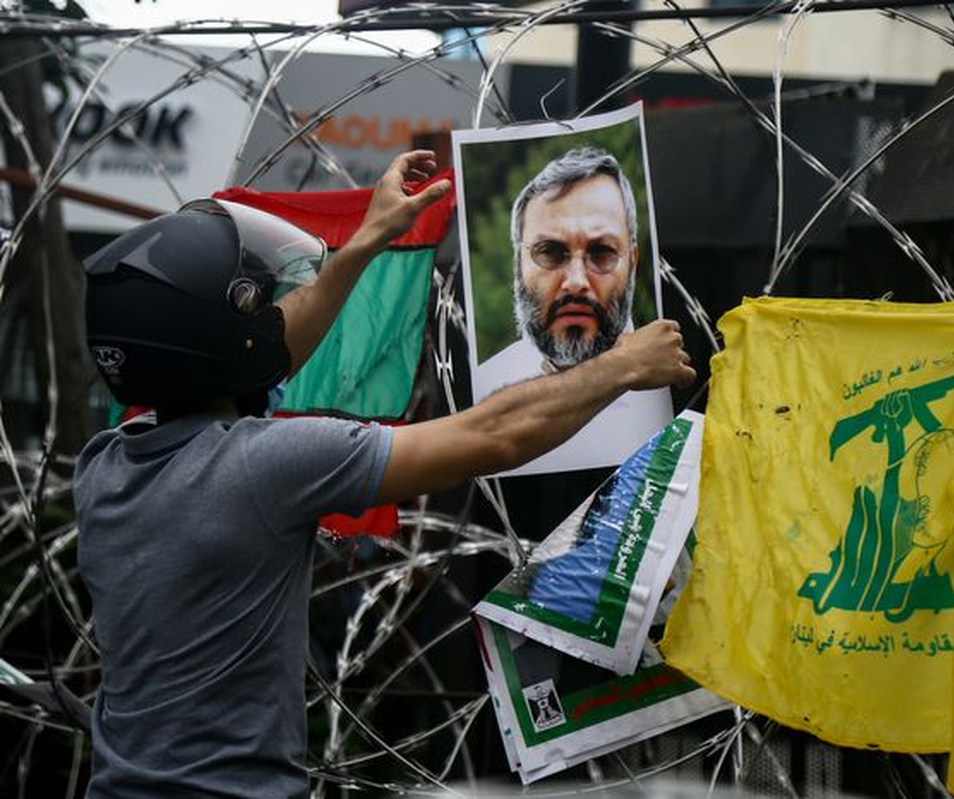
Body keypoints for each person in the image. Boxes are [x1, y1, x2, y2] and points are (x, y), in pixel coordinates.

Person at [75, 150, 694, 797]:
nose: (270, 317)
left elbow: (259, 351)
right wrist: (619, 365)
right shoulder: (261, 465)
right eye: (255, 306)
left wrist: (370, 236)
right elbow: (494, 434)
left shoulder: (106, 467)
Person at [473, 146, 672, 474]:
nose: (577, 281)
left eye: (602, 252)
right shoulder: (485, 390)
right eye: (550, 252)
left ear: (632, 263)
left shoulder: (674, 392)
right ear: (517, 265)